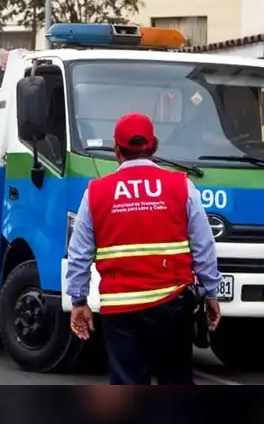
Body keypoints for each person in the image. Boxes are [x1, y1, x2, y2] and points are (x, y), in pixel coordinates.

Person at [65, 112, 223, 385]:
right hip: (172, 306)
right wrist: (210, 293)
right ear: (155, 146)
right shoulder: (182, 187)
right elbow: (204, 246)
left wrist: (79, 301)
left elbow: (79, 254)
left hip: (120, 310)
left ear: (116, 150)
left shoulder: (96, 193)